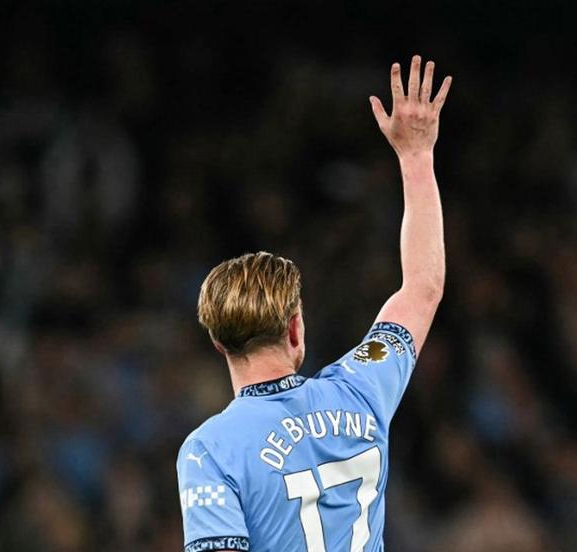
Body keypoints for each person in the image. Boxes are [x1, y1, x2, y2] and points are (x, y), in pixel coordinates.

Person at [177, 55, 451, 552]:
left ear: (218, 342)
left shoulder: (210, 452)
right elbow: (423, 287)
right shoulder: (362, 389)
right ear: (296, 328)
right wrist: (416, 158)